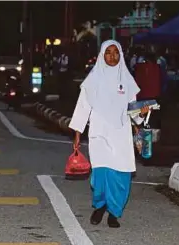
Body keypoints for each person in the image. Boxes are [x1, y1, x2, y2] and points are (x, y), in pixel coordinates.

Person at [69, 40, 149, 228]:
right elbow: (83, 107)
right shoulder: (94, 79)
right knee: (101, 174)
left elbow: (132, 108)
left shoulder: (127, 80)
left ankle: (114, 212)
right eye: (108, 52)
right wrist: (78, 134)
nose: (112, 56)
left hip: (121, 134)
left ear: (121, 54)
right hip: (99, 133)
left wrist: (141, 115)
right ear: (102, 55)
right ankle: (100, 205)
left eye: (116, 52)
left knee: (121, 174)